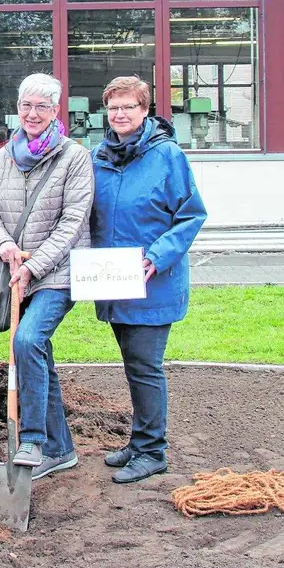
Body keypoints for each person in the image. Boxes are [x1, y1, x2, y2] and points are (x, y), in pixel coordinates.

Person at [89, 75, 208, 484]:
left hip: (152, 283)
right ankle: (140, 442)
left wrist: (157, 257)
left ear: (145, 111)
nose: (120, 114)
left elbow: (191, 214)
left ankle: (153, 451)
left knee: (145, 367)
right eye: (113, 107)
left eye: (129, 106)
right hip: (112, 281)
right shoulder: (100, 157)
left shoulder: (168, 156)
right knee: (133, 365)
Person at [0, 73, 93, 481]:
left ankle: (33, 439)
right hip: (15, 269)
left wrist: (32, 266)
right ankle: (61, 450)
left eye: (41, 107)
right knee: (37, 353)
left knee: (27, 340)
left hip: (57, 273)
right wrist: (4, 247)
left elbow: (72, 222)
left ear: (55, 111)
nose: (31, 114)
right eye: (26, 105)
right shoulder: (5, 155)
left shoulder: (74, 157)